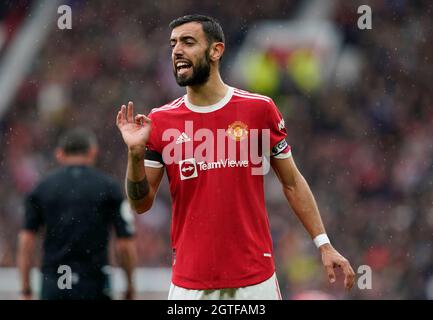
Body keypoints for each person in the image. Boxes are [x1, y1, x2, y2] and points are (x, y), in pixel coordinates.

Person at [116, 14, 355, 300]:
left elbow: (291, 182)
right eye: (173, 44)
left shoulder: (258, 110)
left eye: (188, 42)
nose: (177, 50)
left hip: (255, 281)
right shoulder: (161, 120)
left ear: (216, 51)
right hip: (189, 284)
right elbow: (141, 204)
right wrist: (134, 155)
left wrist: (324, 244)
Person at [17, 128, 137, 300]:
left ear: (59, 154)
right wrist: (130, 287)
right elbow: (125, 245)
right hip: (95, 284)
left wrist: (25, 289)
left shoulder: (42, 189)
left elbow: (26, 242)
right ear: (93, 152)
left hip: (54, 283)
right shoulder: (108, 187)